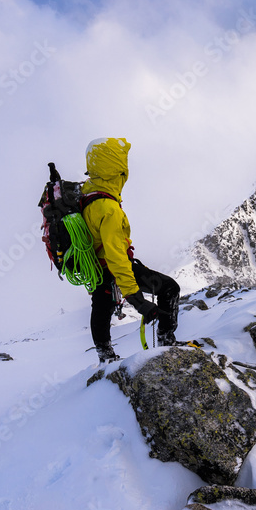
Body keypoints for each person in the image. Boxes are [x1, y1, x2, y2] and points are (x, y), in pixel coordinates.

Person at [81, 137, 181, 362]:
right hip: (110, 266)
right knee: (169, 288)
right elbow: (116, 256)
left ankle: (105, 356)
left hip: (95, 267)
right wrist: (136, 299)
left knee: (102, 304)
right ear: (116, 169)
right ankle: (166, 340)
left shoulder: (88, 192)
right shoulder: (109, 208)